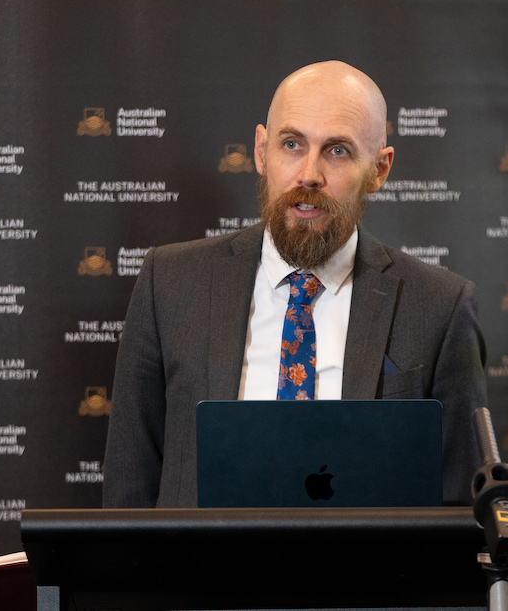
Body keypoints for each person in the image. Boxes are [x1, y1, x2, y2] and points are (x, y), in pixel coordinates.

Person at [103, 61, 487, 507]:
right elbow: (130, 492)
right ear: (262, 152)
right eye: (291, 144)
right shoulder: (168, 282)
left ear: (379, 170)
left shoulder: (441, 306)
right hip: (202, 576)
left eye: (337, 151)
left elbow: (462, 511)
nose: (308, 174)